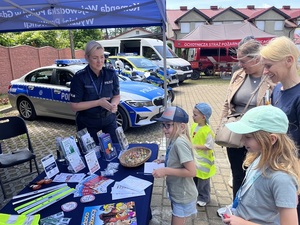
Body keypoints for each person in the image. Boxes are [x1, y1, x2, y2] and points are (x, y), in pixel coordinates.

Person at [217, 39, 275, 199]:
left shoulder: (271, 79)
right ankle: (236, 208)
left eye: (243, 61)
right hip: (236, 134)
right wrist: (222, 127)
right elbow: (226, 103)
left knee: (256, 174)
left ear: (256, 59)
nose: (240, 65)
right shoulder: (238, 75)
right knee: (237, 173)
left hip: (258, 137)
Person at [222, 105, 300, 225]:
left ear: (271, 139)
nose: (242, 141)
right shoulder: (258, 158)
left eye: (248, 137)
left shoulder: (282, 179)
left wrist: (243, 223)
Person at [260, 35, 300, 224]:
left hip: (293, 175)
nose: (265, 71)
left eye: (269, 65)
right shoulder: (277, 90)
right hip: (277, 168)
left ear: (289, 61)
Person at [152, 106, 198, 225]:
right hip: (177, 191)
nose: (164, 129)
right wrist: (164, 160)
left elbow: (192, 172)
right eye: (163, 125)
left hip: (183, 194)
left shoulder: (180, 143)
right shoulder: (173, 139)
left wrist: (166, 170)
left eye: (168, 125)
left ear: (181, 127)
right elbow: (176, 159)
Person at [70, 40, 120, 145]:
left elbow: (116, 95)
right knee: (90, 154)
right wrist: (98, 102)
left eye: (102, 57)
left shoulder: (110, 74)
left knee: (116, 147)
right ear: (87, 57)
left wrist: (114, 104)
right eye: (95, 58)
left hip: (108, 119)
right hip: (87, 121)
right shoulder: (79, 77)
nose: (100, 61)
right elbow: (74, 106)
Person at [190, 102, 216, 207]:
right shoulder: (194, 126)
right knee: (195, 179)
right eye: (193, 114)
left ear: (203, 117)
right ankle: (196, 195)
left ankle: (204, 197)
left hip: (204, 165)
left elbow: (209, 146)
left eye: (195, 115)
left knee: (203, 183)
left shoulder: (207, 131)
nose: (193, 116)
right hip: (196, 161)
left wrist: (194, 146)